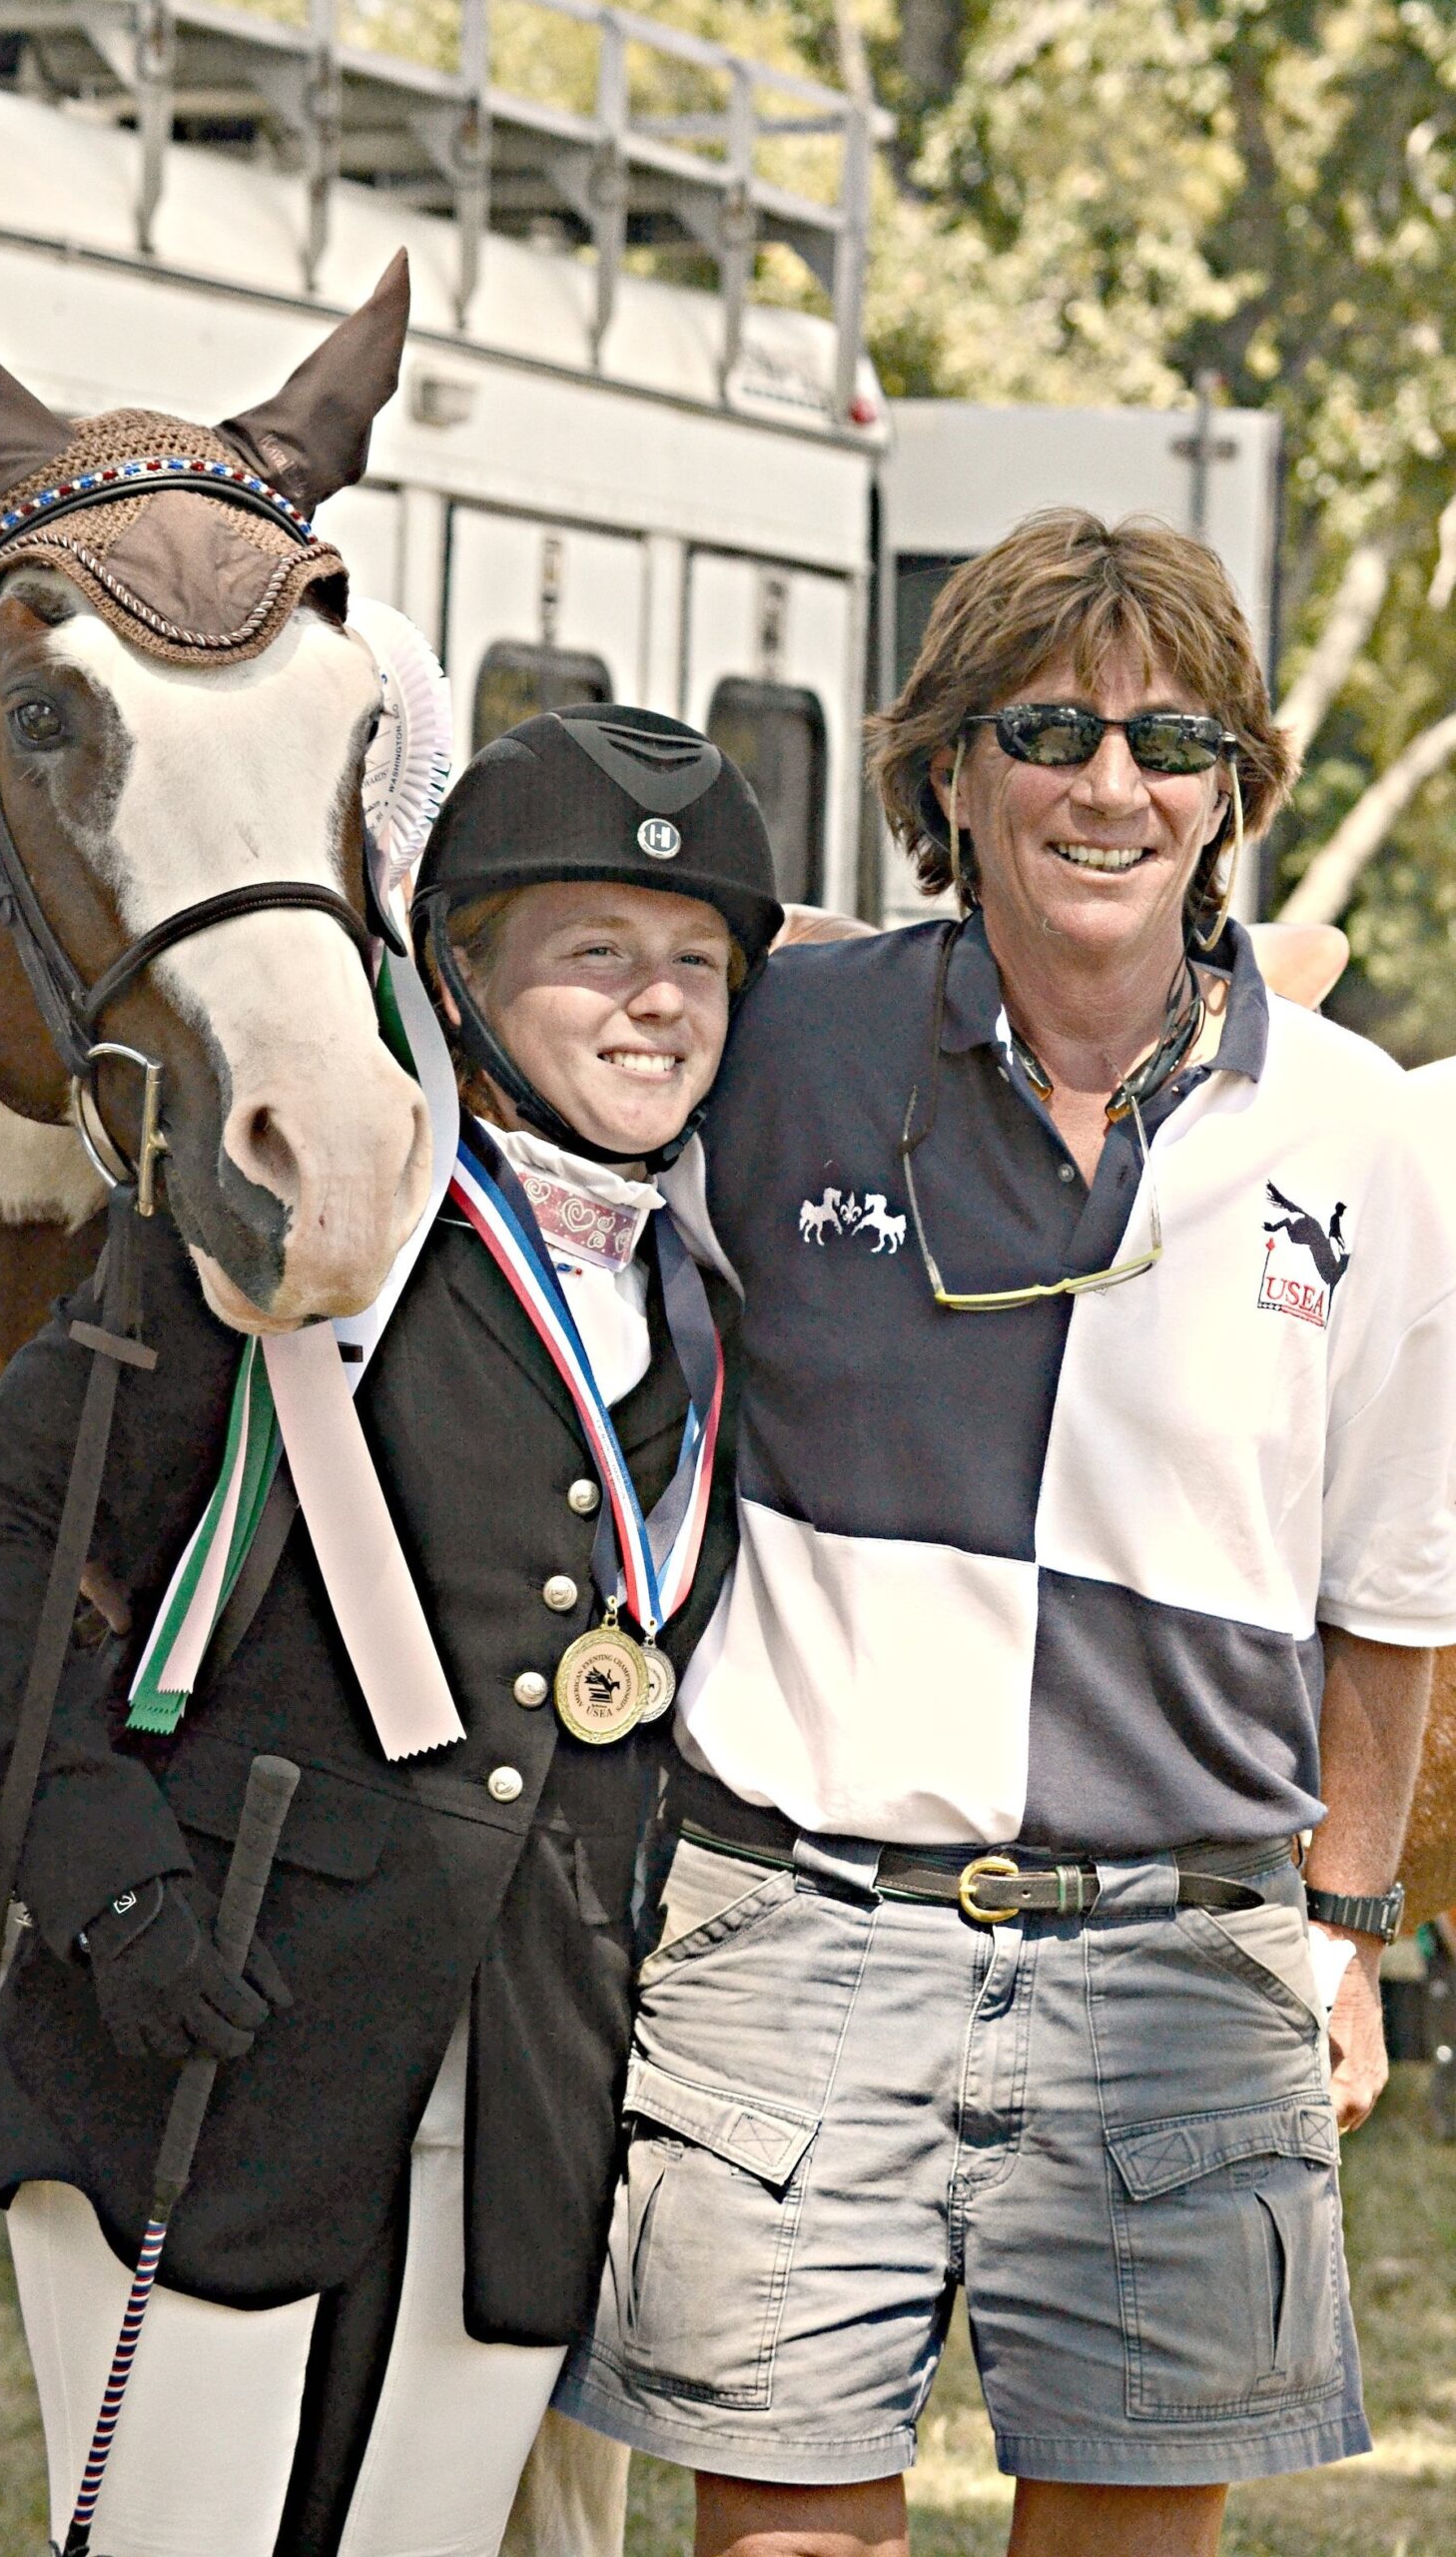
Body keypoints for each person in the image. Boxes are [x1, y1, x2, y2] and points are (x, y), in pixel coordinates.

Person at [557, 512, 1456, 2557]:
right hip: (795, 1933)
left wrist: (1338, 1930)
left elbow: (1393, 1582)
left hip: (1179, 1956)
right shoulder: (768, 1054)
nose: (1106, 784)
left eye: (1167, 736)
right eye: (1043, 725)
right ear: (944, 774)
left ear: (1231, 789)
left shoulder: (1349, 1126)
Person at [0, 703, 782, 2557]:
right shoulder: (293, 1219)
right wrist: (102, 1876)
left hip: (519, 2083)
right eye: (594, 953)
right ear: (457, 981)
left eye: (697, 963)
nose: (654, 1005)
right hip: (213, 2040)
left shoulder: (703, 1285)